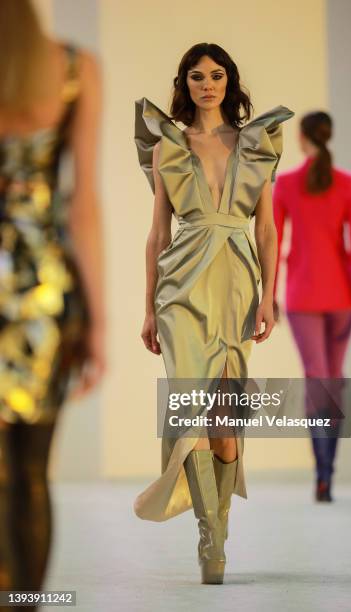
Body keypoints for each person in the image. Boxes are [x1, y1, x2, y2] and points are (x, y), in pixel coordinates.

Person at [134, 42, 294, 584]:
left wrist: (270, 295)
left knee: (226, 420)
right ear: (185, 83)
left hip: (237, 287)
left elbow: (267, 229)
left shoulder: (257, 145)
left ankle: (217, 524)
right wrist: (149, 308)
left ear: (230, 82)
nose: (208, 84)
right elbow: (158, 232)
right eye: (197, 76)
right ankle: (212, 541)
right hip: (180, 289)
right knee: (192, 411)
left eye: (218, 75)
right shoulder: (168, 147)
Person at [0, 0, 106, 600]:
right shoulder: (72, 69)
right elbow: (81, 204)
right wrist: (101, 323)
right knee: (33, 475)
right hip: (44, 293)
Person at [272, 111, 351, 503]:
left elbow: (273, 242)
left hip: (303, 295)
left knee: (318, 380)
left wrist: (268, 297)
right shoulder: (348, 184)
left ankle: (322, 474)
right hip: (343, 296)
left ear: (302, 139)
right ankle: (327, 474)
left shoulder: (285, 183)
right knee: (332, 379)